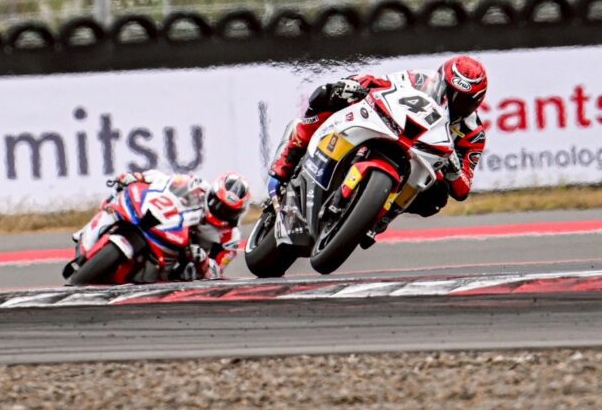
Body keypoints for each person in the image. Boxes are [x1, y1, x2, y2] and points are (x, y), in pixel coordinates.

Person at [267, 54, 489, 217]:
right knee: (329, 94)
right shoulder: (420, 79)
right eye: (449, 92)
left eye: (462, 100)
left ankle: (378, 215)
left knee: (437, 197)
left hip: (419, 163)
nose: (453, 102)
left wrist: (453, 169)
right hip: (391, 128)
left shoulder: (473, 134)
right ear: (440, 81)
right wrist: (357, 84)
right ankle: (288, 158)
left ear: (476, 102)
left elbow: (463, 190)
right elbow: (382, 83)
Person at [112, 169, 250, 281]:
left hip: (181, 260)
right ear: (212, 193)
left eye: (228, 211)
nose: (220, 211)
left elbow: (216, 273)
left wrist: (203, 260)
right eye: (217, 203)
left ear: (238, 213)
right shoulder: (197, 185)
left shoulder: (231, 238)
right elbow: (164, 179)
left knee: (187, 274)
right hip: (165, 225)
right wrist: (138, 177)